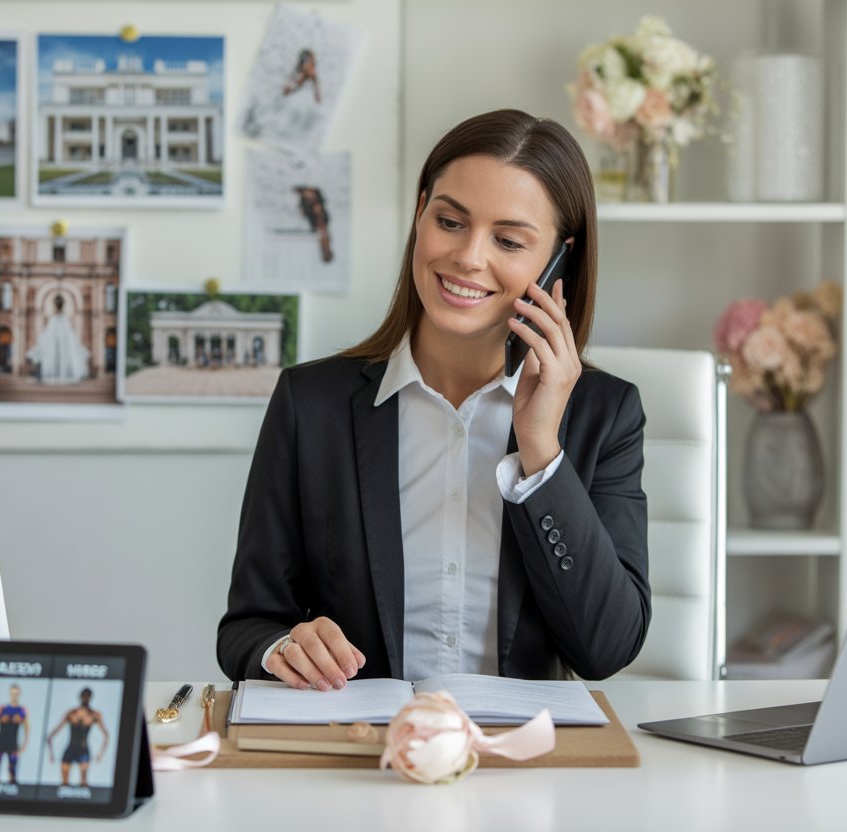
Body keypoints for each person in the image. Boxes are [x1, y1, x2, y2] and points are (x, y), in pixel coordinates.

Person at [217, 109, 649, 688]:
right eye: (450, 221)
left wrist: (541, 452)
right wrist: (283, 647)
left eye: (508, 240)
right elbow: (247, 625)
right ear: (421, 213)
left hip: (521, 763)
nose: (469, 257)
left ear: (558, 261)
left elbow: (608, 648)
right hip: (360, 758)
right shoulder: (309, 404)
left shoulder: (605, 414)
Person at [46, 688, 110, 787]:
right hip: (71, 748)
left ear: (90, 698)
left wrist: (101, 754)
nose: (85, 698)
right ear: (80, 697)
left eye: (87, 696)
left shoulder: (94, 715)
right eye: (84, 696)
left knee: (83, 783)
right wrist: (51, 752)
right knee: (64, 783)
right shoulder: (72, 713)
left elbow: (106, 735)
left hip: (83, 749)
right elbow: (54, 732)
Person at [26, 295, 90, 385]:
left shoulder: (55, 319)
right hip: (58, 342)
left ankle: (54, 374)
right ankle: (57, 374)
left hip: (55, 343)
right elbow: (70, 336)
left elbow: (47, 335)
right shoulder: (62, 319)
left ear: (55, 306)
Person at [0, 684, 29, 784]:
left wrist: (24, 746)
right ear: (9, 694)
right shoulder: (1, 709)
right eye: (12, 694)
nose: (14, 696)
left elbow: (27, 729)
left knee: (12, 771)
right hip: (0, 742)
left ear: (19, 695)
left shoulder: (22, 711)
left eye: (16, 694)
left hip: (13, 744)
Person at [294, 185, 333, 263]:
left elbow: (322, 232)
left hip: (315, 213)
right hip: (316, 210)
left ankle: (306, 194)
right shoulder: (325, 243)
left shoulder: (324, 245)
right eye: (326, 254)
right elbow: (323, 228)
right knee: (310, 205)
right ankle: (307, 194)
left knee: (306, 209)